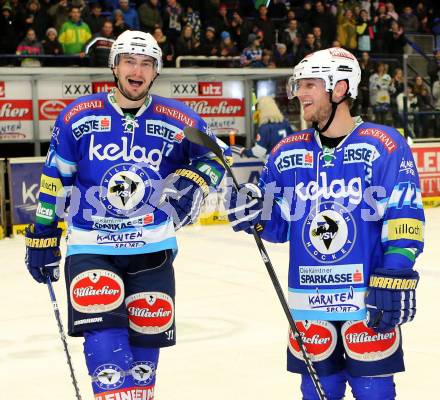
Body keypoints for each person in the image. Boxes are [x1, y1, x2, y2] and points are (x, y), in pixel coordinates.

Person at [24, 30, 230, 400]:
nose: (138, 70)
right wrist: (43, 233)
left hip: (153, 245)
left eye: (147, 63)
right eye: (130, 61)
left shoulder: (178, 117)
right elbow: (55, 178)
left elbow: (218, 157)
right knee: (105, 343)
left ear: (156, 71)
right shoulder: (77, 115)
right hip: (91, 244)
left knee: (142, 360)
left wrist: (196, 179)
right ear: (115, 66)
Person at [226, 47, 424, 399]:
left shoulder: (386, 145)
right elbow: (278, 226)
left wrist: (395, 275)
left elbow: (405, 217)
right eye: (299, 84)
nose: (300, 93)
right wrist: (254, 211)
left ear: (340, 88)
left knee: (374, 392)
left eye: (310, 85)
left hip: (366, 302)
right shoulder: (286, 152)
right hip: (309, 304)